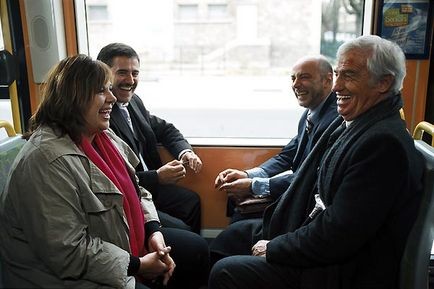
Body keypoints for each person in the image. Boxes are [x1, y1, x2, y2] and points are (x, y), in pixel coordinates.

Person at [209, 35, 424, 289]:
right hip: (323, 238)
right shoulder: (352, 124)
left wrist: (276, 247)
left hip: (345, 269)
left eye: (350, 75)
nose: (337, 87)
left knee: (226, 273)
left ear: (384, 83)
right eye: (338, 74)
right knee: (232, 238)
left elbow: (339, 233)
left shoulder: (382, 145)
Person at [0, 55, 209, 289]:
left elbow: (137, 189)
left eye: (109, 89)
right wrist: (137, 265)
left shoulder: (103, 137)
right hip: (63, 277)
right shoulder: (46, 161)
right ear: (74, 98)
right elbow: (67, 251)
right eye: (101, 91)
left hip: (118, 241)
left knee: (197, 251)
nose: (112, 98)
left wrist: (153, 231)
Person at [214, 55, 338, 222]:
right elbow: (287, 155)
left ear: (327, 80)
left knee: (237, 224)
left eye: (304, 77)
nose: (295, 84)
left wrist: (253, 186)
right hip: (296, 190)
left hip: (306, 202)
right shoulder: (309, 114)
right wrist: (247, 175)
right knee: (236, 205)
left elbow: (312, 178)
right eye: (293, 78)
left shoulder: (334, 119)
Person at [97, 43, 202, 234]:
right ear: (104, 74)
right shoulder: (101, 116)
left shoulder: (133, 101)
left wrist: (185, 152)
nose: (130, 80)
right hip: (130, 195)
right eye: (122, 73)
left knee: (191, 202)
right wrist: (157, 177)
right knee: (184, 232)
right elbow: (113, 179)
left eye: (135, 73)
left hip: (151, 186)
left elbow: (165, 129)